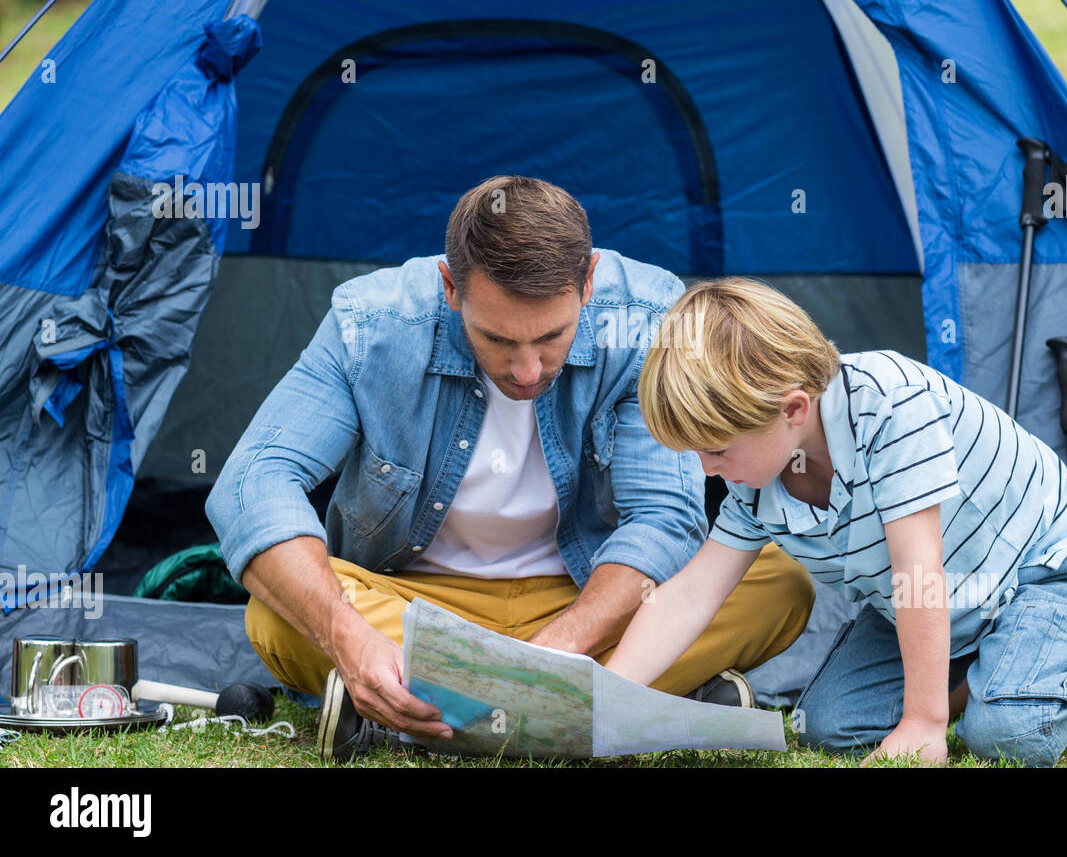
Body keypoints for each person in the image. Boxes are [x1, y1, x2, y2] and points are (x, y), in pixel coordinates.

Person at [205, 179, 814, 760]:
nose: (527, 371)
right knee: (278, 607)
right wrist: (347, 636)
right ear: (451, 287)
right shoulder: (370, 324)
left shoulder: (648, 317)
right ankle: (624, 707)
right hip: (416, 605)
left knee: (779, 585)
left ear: (589, 282)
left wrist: (565, 642)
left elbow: (663, 517)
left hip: (584, 600)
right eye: (497, 340)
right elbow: (251, 484)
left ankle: (424, 713)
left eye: (551, 337)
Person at [607, 276, 1067, 766]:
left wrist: (924, 722)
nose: (710, 472)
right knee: (827, 726)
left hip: (1042, 571)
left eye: (716, 451)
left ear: (792, 409)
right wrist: (602, 700)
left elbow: (918, 573)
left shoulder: (891, 404)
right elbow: (690, 595)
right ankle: (1004, 670)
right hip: (938, 605)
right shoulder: (757, 478)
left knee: (1005, 740)